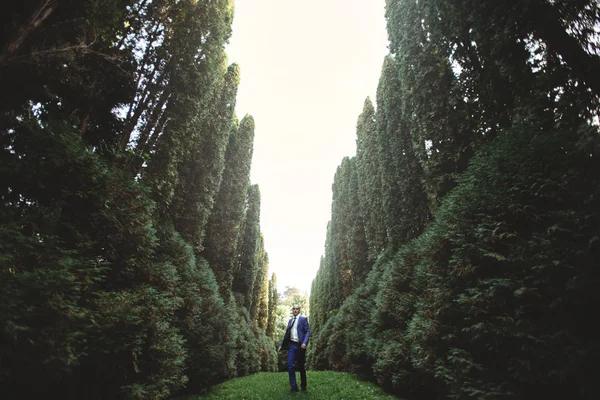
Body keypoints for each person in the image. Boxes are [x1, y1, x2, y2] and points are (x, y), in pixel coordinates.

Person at [278, 304, 310, 392]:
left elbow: (307, 332)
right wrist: (281, 345)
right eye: (294, 309)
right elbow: (286, 335)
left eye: (297, 309)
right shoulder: (290, 321)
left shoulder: (303, 319)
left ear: (299, 310)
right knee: (290, 365)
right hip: (292, 345)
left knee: (301, 366)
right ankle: (294, 386)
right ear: (292, 310)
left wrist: (304, 343)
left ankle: (303, 385)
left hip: (300, 345)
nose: (295, 310)